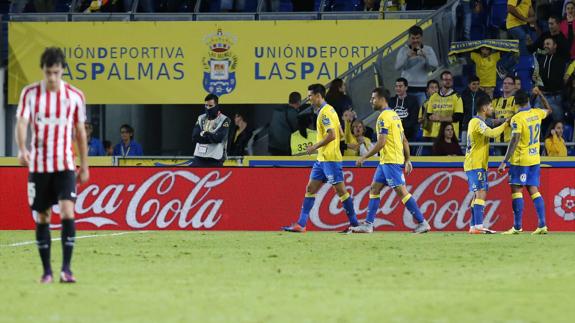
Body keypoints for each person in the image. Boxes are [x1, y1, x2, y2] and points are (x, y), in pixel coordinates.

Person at [15, 47, 89, 283]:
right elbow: (22, 122)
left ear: (63, 71)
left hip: (65, 164)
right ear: (43, 71)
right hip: (39, 166)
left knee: (68, 211)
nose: (52, 78)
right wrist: (21, 148)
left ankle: (66, 269)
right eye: (48, 73)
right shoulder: (30, 94)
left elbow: (80, 132)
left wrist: (84, 166)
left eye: (56, 73)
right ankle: (46, 271)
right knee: (43, 216)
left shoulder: (75, 96)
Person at [281, 84, 360, 233]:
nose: (308, 98)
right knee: (310, 188)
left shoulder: (324, 113)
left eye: (310, 96)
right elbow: (341, 133)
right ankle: (301, 224)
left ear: (318, 96)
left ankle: (355, 225)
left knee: (341, 192)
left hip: (330, 159)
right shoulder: (330, 111)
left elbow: (332, 135)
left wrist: (315, 146)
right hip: (322, 160)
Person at [352, 87, 431, 234]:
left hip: (391, 161)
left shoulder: (383, 117)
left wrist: (364, 157)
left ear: (382, 99)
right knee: (374, 189)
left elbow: (381, 143)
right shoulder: (395, 116)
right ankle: (368, 224)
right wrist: (407, 160)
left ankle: (422, 222)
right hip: (386, 161)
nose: (371, 101)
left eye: (373, 98)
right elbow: (404, 140)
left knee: (402, 192)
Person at [498, 88, 553, 235]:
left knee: (516, 189)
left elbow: (515, 139)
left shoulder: (518, 118)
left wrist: (504, 161)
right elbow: (549, 109)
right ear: (528, 100)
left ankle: (517, 226)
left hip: (521, 159)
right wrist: (540, 94)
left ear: (515, 103)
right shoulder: (536, 113)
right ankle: (542, 224)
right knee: (533, 189)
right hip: (535, 159)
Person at [464, 94, 509, 234]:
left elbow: (492, 123)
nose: (492, 108)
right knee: (481, 193)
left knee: (477, 194)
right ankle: (479, 226)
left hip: (477, 163)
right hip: (475, 163)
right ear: (484, 108)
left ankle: (473, 226)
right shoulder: (476, 122)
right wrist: (506, 123)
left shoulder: (479, 122)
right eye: (490, 106)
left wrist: (504, 120)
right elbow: (492, 133)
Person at [395, 25, 439, 107]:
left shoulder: (428, 50)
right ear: (409, 38)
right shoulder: (403, 50)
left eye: (417, 38)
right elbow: (397, 67)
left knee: (422, 115)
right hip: (406, 90)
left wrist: (426, 56)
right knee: (406, 115)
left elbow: (435, 65)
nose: (415, 41)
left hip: (421, 89)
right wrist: (407, 56)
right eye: (413, 38)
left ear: (421, 38)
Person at [190, 94, 231, 167]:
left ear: (216, 106)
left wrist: (203, 134)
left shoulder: (224, 119)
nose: (208, 108)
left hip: (215, 159)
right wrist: (210, 136)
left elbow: (218, 138)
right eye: (206, 105)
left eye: (210, 106)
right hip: (199, 157)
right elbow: (195, 136)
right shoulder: (201, 117)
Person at [423, 71, 464, 141]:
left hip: (451, 135)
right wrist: (432, 117)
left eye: (450, 80)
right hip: (435, 135)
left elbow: (458, 117)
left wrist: (440, 118)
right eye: (445, 80)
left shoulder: (457, 97)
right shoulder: (433, 97)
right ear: (441, 81)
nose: (448, 82)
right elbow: (428, 115)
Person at [492, 76, 520, 154]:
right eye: (504, 83)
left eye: (509, 83)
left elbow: (517, 117)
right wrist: (492, 121)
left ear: (514, 86)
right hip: (497, 140)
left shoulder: (516, 100)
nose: (506, 85)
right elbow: (488, 118)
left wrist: (501, 120)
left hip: (512, 140)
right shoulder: (495, 101)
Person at [268, 92, 300, 156]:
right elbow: (297, 129)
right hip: (283, 147)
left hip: (272, 145)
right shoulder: (292, 112)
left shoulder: (278, 110)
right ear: (298, 102)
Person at [461, 76, 488, 140]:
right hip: (466, 126)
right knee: (465, 147)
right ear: (468, 85)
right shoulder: (463, 95)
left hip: (480, 126)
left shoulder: (483, 95)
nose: (476, 86)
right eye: (473, 84)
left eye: (478, 84)